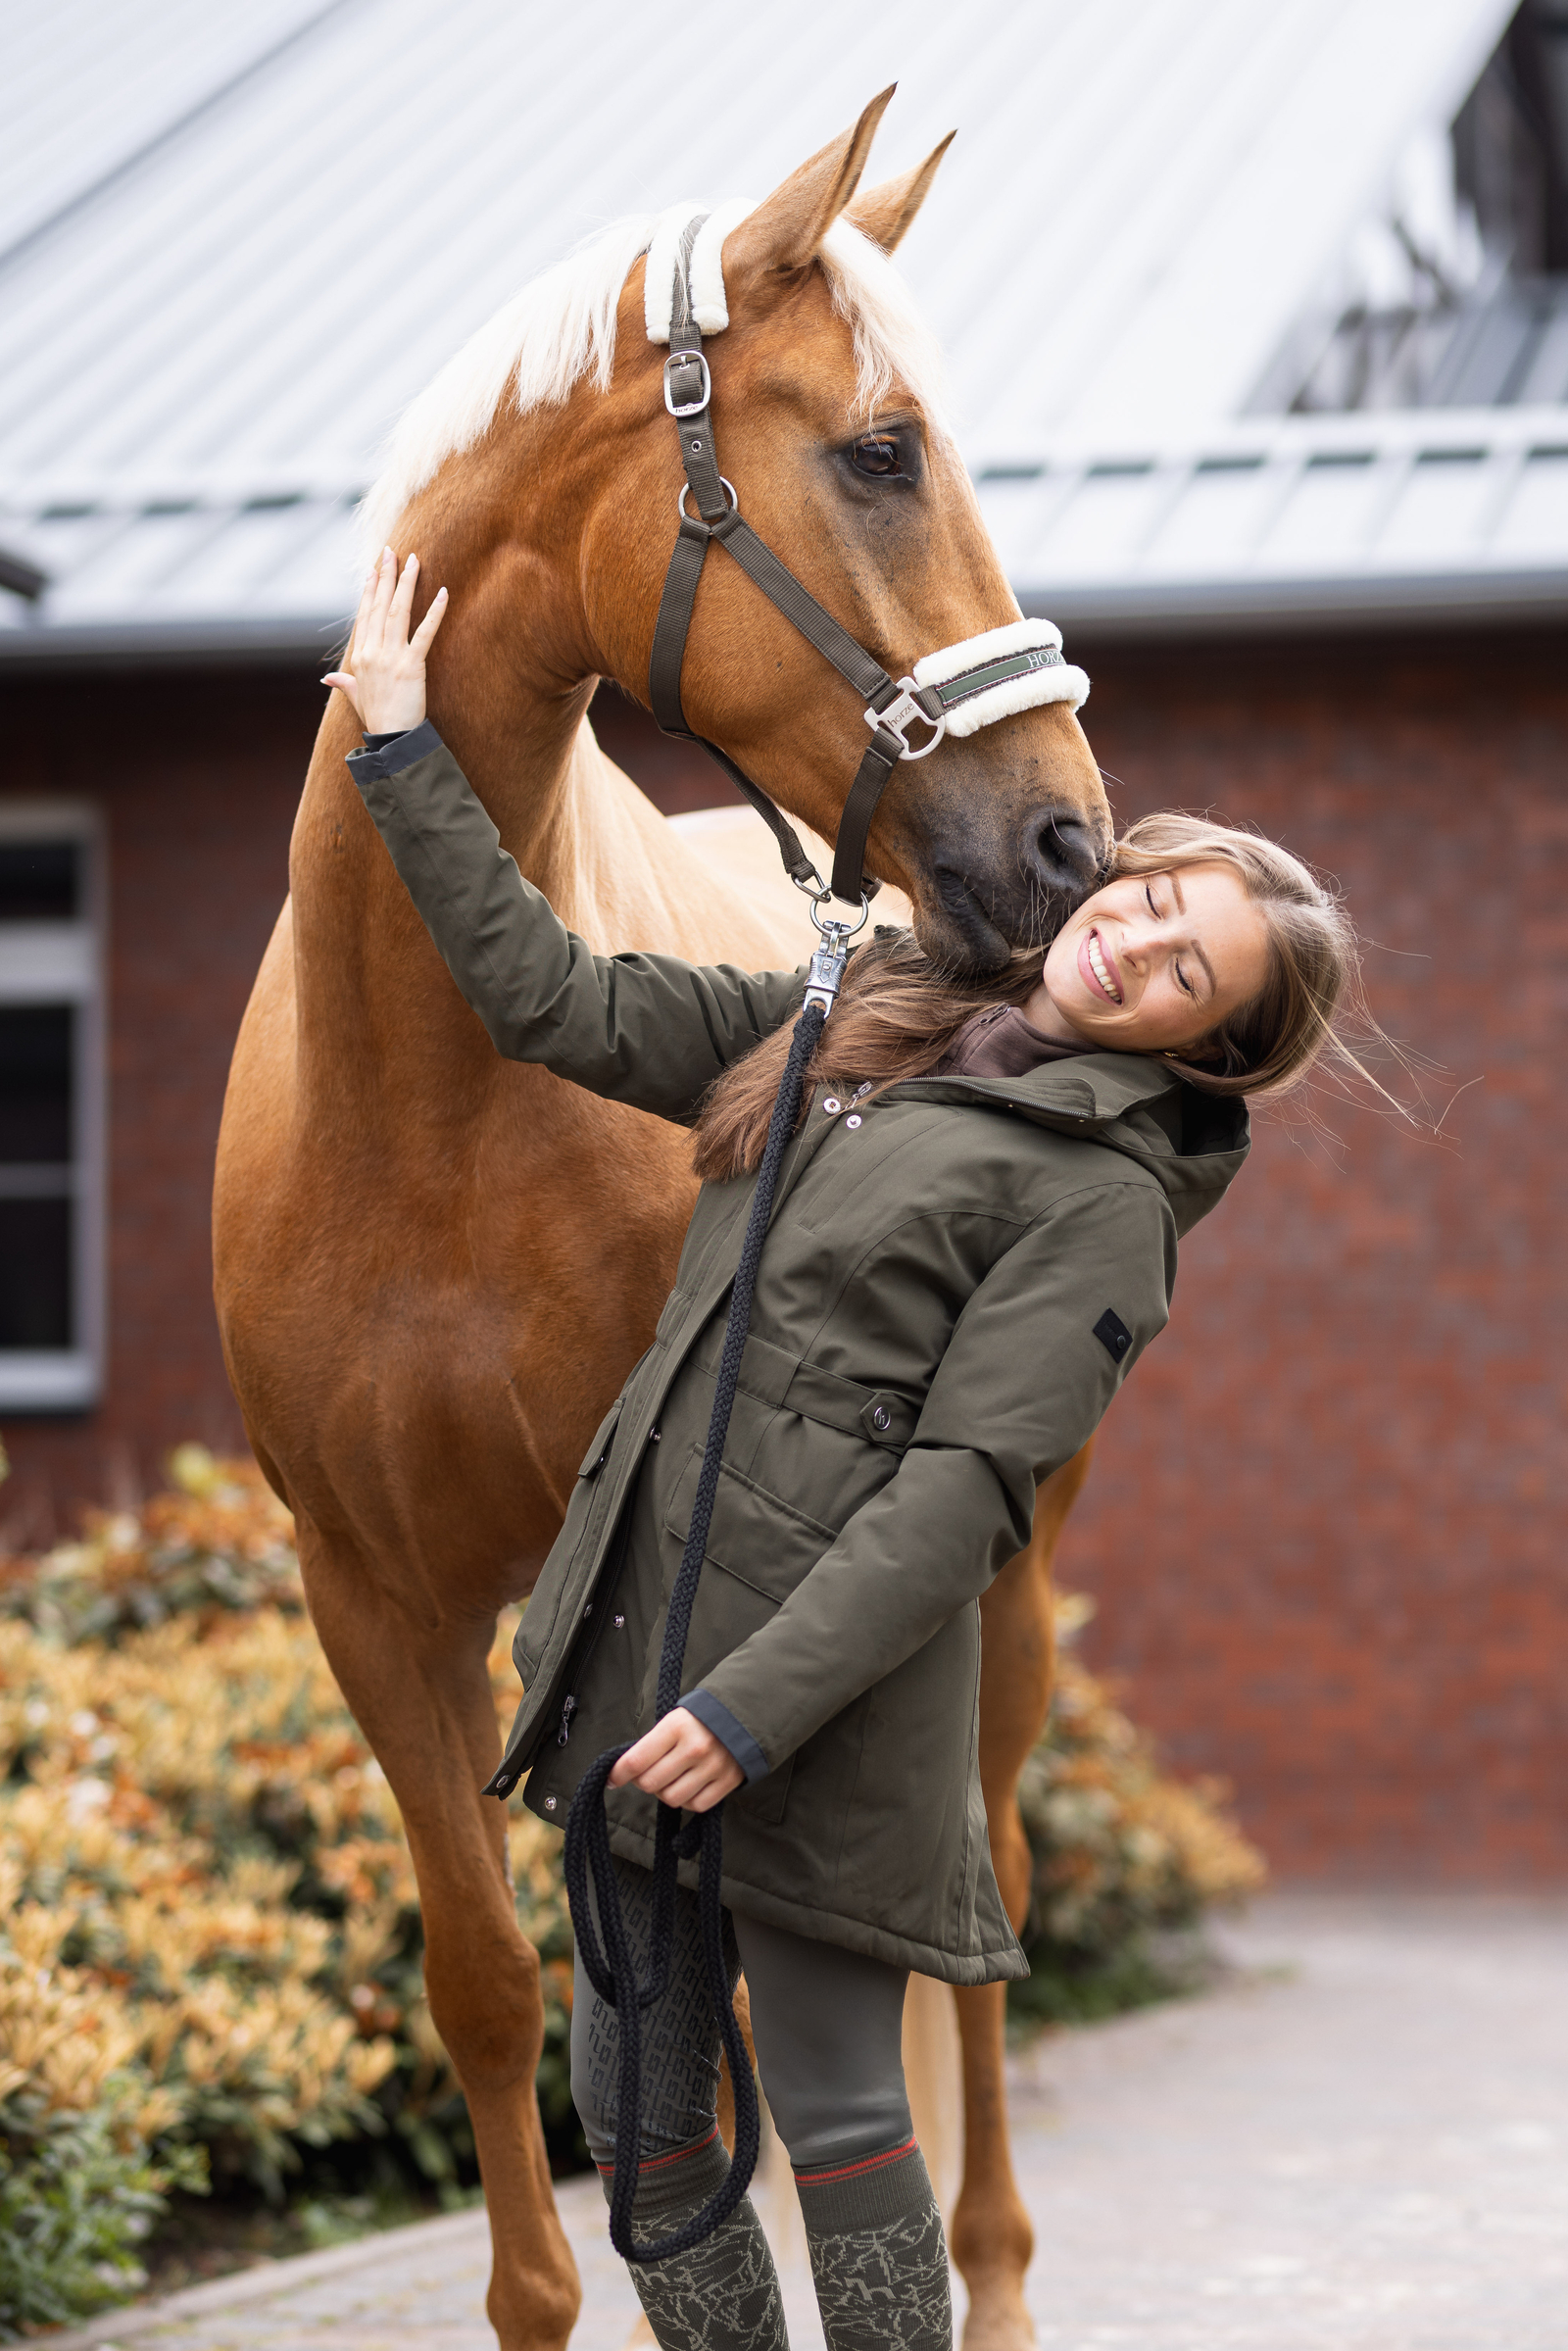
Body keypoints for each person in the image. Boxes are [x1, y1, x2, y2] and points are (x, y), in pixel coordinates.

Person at [326, 549, 1356, 2351]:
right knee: (642, 2137)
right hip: (643, 1656)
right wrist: (408, 754)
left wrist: (753, 1715)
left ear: (1212, 1047)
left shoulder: (1108, 1205)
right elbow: (554, 1002)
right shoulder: (862, 1010)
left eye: (1189, 970)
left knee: (841, 2119)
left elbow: (965, 1498)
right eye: (1152, 901)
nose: (1135, 944)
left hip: (823, 1712)